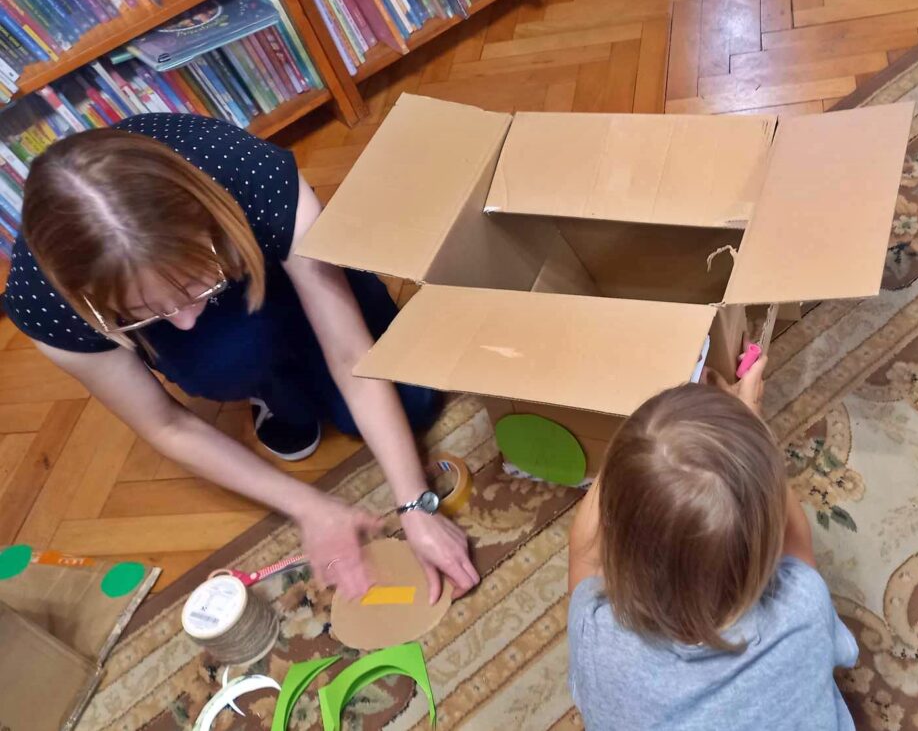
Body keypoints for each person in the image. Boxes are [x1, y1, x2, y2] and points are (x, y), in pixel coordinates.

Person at [2, 113, 479, 602]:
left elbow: (349, 351)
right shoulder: (44, 305)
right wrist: (309, 507)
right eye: (139, 314)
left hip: (263, 255)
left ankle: (247, 324)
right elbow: (166, 425)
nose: (183, 320)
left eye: (193, 285)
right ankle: (270, 387)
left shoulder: (254, 178)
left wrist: (415, 504)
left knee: (415, 404)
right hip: (229, 304)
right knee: (223, 356)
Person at [567, 358, 858, 730]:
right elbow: (798, 542)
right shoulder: (803, 607)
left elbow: (583, 552)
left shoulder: (597, 639)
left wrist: (630, 451)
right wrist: (749, 419)